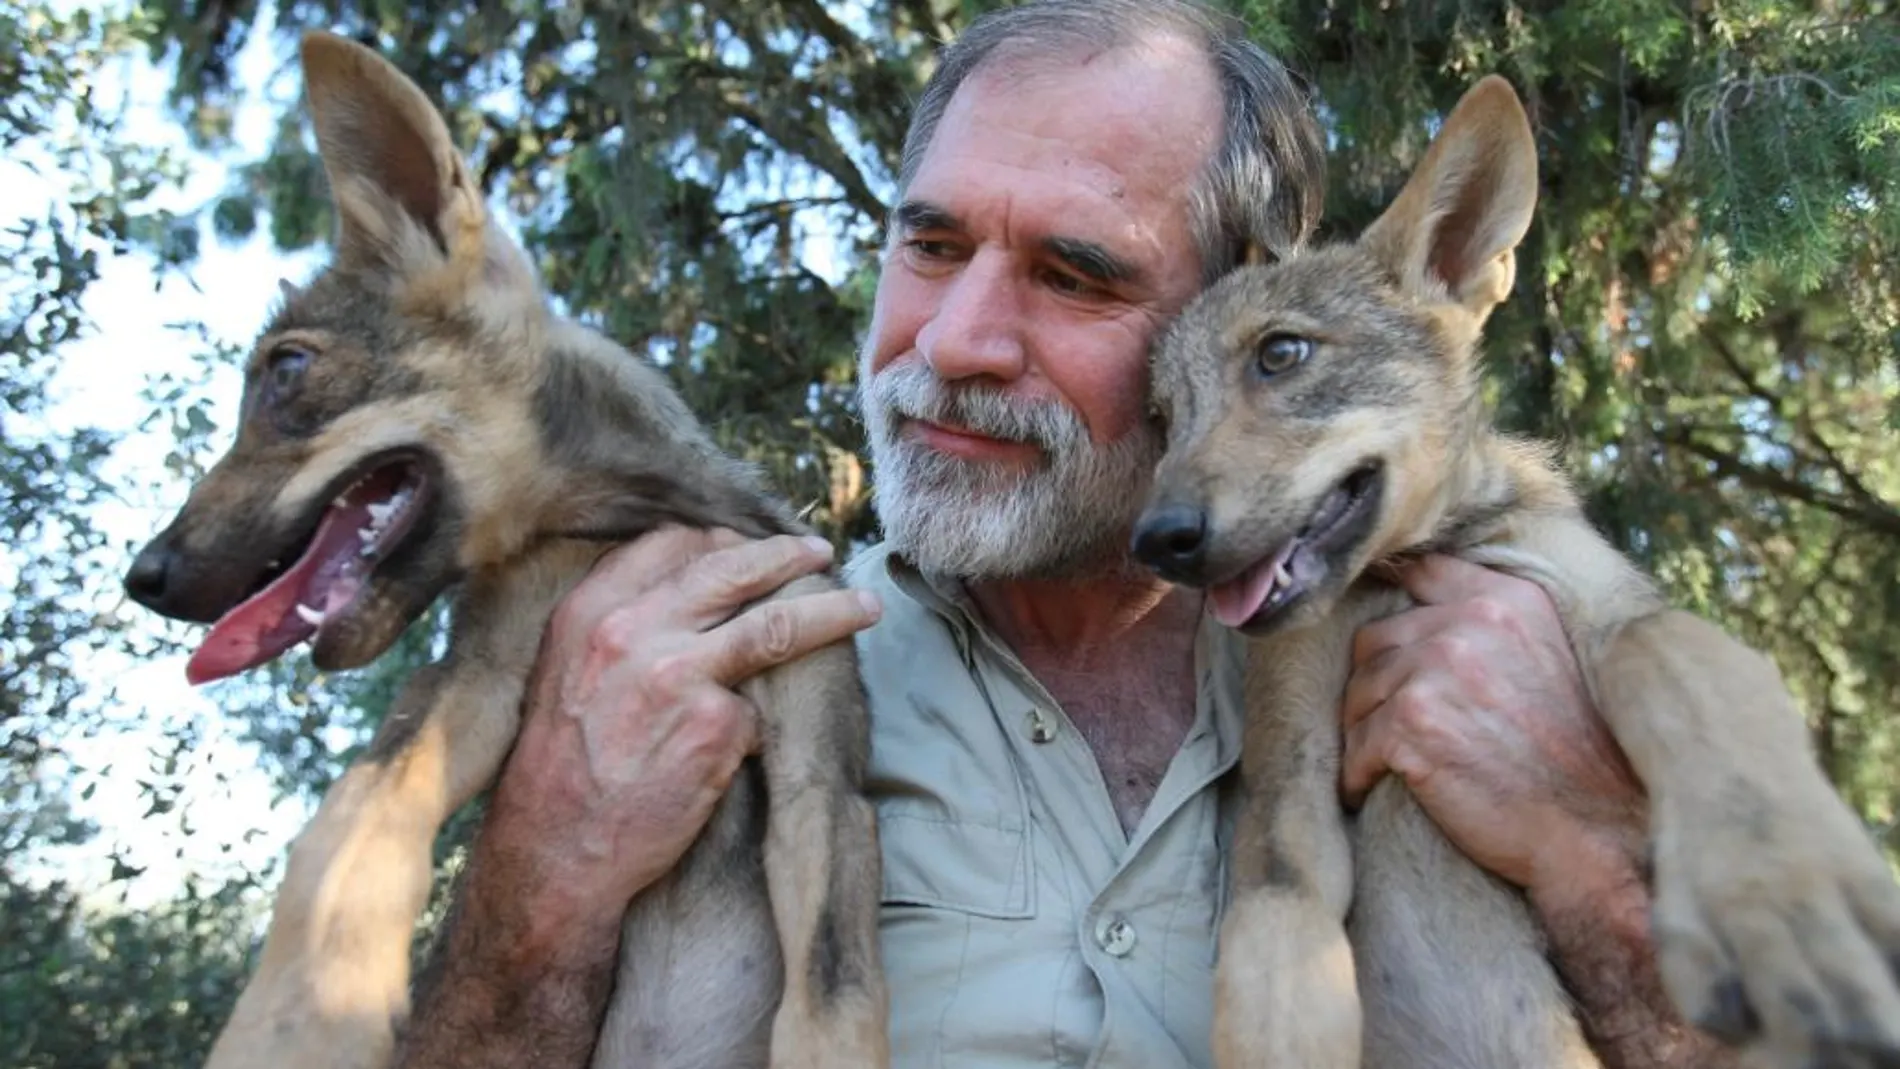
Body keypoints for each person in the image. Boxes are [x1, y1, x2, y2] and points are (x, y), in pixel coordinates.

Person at [396, 2, 1735, 1066]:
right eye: (929, 248)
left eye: (1074, 274)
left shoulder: (1448, 671)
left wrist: (1594, 863)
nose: (957, 341)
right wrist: (539, 886)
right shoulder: (709, 680)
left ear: (1232, 316)